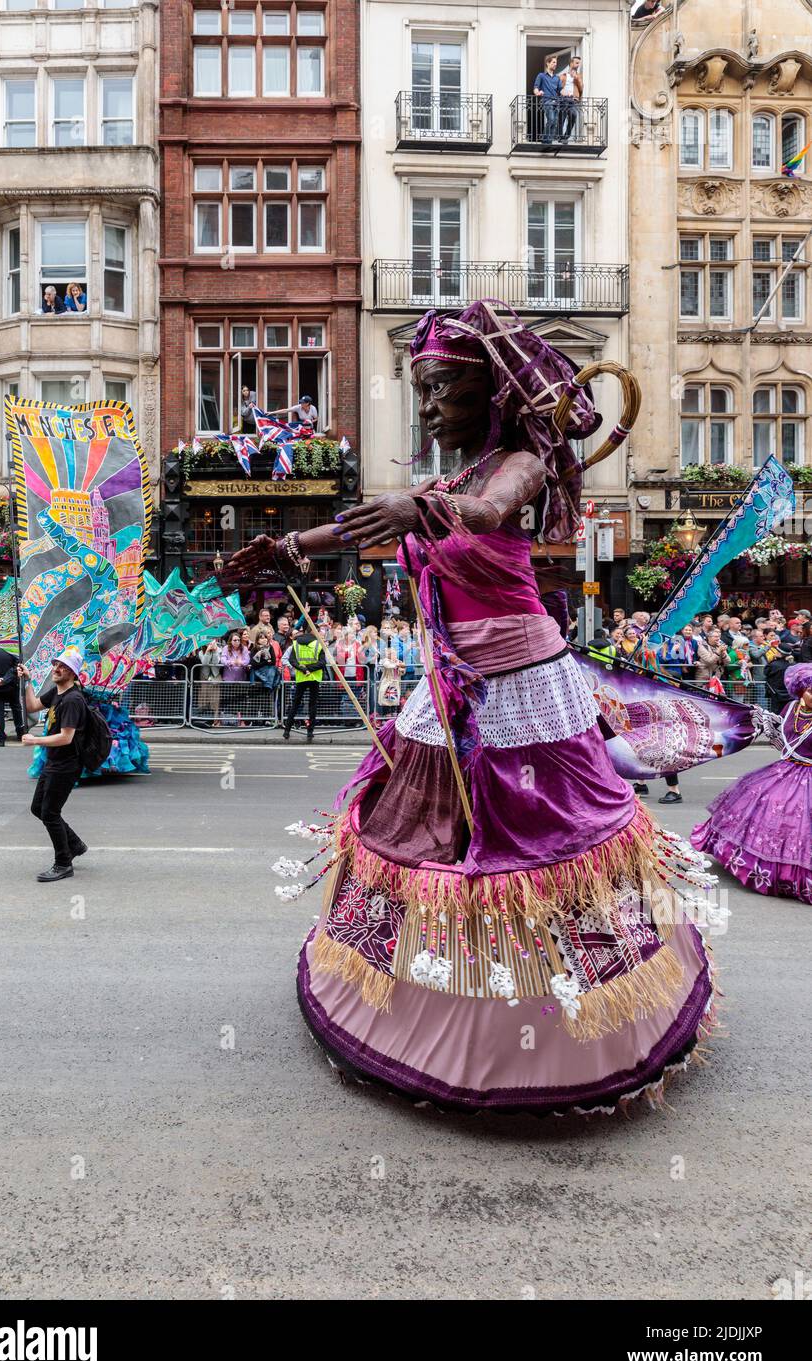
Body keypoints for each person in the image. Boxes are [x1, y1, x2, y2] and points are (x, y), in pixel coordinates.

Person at [221, 298, 715, 1114]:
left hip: (522, 685)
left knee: (544, 849)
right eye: (419, 391)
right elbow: (360, 527)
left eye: (443, 389)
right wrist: (284, 548)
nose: (427, 407)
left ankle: (566, 1031)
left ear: (491, 395)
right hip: (447, 689)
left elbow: (487, 513)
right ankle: (427, 1013)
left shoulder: (516, 462)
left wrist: (427, 509)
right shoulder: (444, 479)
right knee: (418, 838)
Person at [692, 664, 812, 901]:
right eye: (810, 690)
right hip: (786, 771)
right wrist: (765, 721)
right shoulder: (791, 708)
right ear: (800, 691)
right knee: (763, 799)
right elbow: (784, 741)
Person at [18, 646, 87, 882]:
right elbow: (32, 706)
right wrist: (27, 681)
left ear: (73, 672)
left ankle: (63, 863)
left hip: (66, 765)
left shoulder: (72, 700)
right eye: (56, 664)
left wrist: (35, 740)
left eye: (64, 667)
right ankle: (75, 844)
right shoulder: (56, 693)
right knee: (38, 808)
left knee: (49, 812)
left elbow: (66, 737)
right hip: (53, 762)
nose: (57, 669)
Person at [283, 630, 325, 742]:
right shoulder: (318, 644)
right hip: (314, 677)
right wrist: (309, 669)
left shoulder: (296, 644)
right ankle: (310, 732)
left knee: (295, 704)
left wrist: (303, 669)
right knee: (312, 705)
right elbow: (322, 663)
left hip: (301, 677)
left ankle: (287, 730)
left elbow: (292, 660)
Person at [533, 54, 562, 144]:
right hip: (547, 101)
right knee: (551, 120)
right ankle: (545, 141)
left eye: (556, 63)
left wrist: (568, 93)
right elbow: (536, 87)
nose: (555, 64)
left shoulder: (557, 78)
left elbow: (561, 90)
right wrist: (538, 92)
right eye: (553, 62)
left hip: (556, 102)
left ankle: (549, 141)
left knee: (555, 122)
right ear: (548, 63)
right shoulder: (541, 75)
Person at [558, 55, 583, 142]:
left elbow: (581, 89)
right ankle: (560, 137)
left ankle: (566, 136)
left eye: (579, 63)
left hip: (573, 100)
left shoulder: (579, 76)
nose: (578, 65)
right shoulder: (563, 76)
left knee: (573, 115)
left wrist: (577, 78)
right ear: (571, 63)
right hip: (564, 99)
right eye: (576, 63)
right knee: (562, 118)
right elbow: (557, 88)